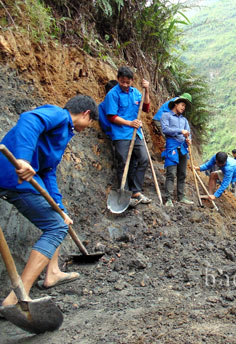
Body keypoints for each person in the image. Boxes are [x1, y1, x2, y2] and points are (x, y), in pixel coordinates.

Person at [0, 95, 98, 306]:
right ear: (86, 114)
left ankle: (52, 273)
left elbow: (48, 172)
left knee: (58, 220)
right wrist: (24, 159)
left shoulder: (64, 134)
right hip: (14, 175)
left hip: (20, 179)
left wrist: (61, 209)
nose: (87, 128)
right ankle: (17, 297)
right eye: (89, 124)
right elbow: (29, 120)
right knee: (55, 228)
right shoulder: (59, 115)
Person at [104, 66, 151, 207]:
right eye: (122, 81)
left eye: (127, 82)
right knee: (123, 162)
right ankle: (124, 191)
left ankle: (136, 191)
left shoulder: (136, 92)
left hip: (136, 133)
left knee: (143, 159)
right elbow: (112, 116)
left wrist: (147, 90)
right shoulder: (112, 94)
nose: (125, 85)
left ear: (132, 81)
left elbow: (146, 108)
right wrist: (129, 123)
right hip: (121, 134)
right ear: (118, 79)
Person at [161, 94, 194, 206]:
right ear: (175, 104)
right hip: (172, 148)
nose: (183, 107)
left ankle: (181, 196)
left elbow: (188, 133)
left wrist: (189, 140)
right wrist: (180, 131)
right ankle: (168, 199)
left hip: (183, 148)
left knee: (182, 173)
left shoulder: (184, 120)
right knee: (171, 173)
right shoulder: (166, 116)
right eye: (182, 105)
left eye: (184, 106)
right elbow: (165, 129)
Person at [195, 152, 236, 221]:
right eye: (219, 164)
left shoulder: (229, 166)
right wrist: (198, 168)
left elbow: (225, 183)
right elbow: (208, 165)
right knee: (213, 175)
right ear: (216, 160)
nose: (220, 165)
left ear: (225, 161)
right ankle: (209, 195)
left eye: (222, 164)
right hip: (227, 172)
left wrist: (216, 195)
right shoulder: (215, 157)